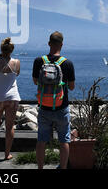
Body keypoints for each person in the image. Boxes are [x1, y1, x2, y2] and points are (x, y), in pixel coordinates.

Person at [32, 31, 75, 169]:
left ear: (49, 43)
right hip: (62, 107)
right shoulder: (67, 63)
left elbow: (35, 81)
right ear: (62, 44)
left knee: (41, 141)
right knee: (64, 141)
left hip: (44, 107)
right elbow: (72, 87)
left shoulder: (39, 61)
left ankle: (40, 168)